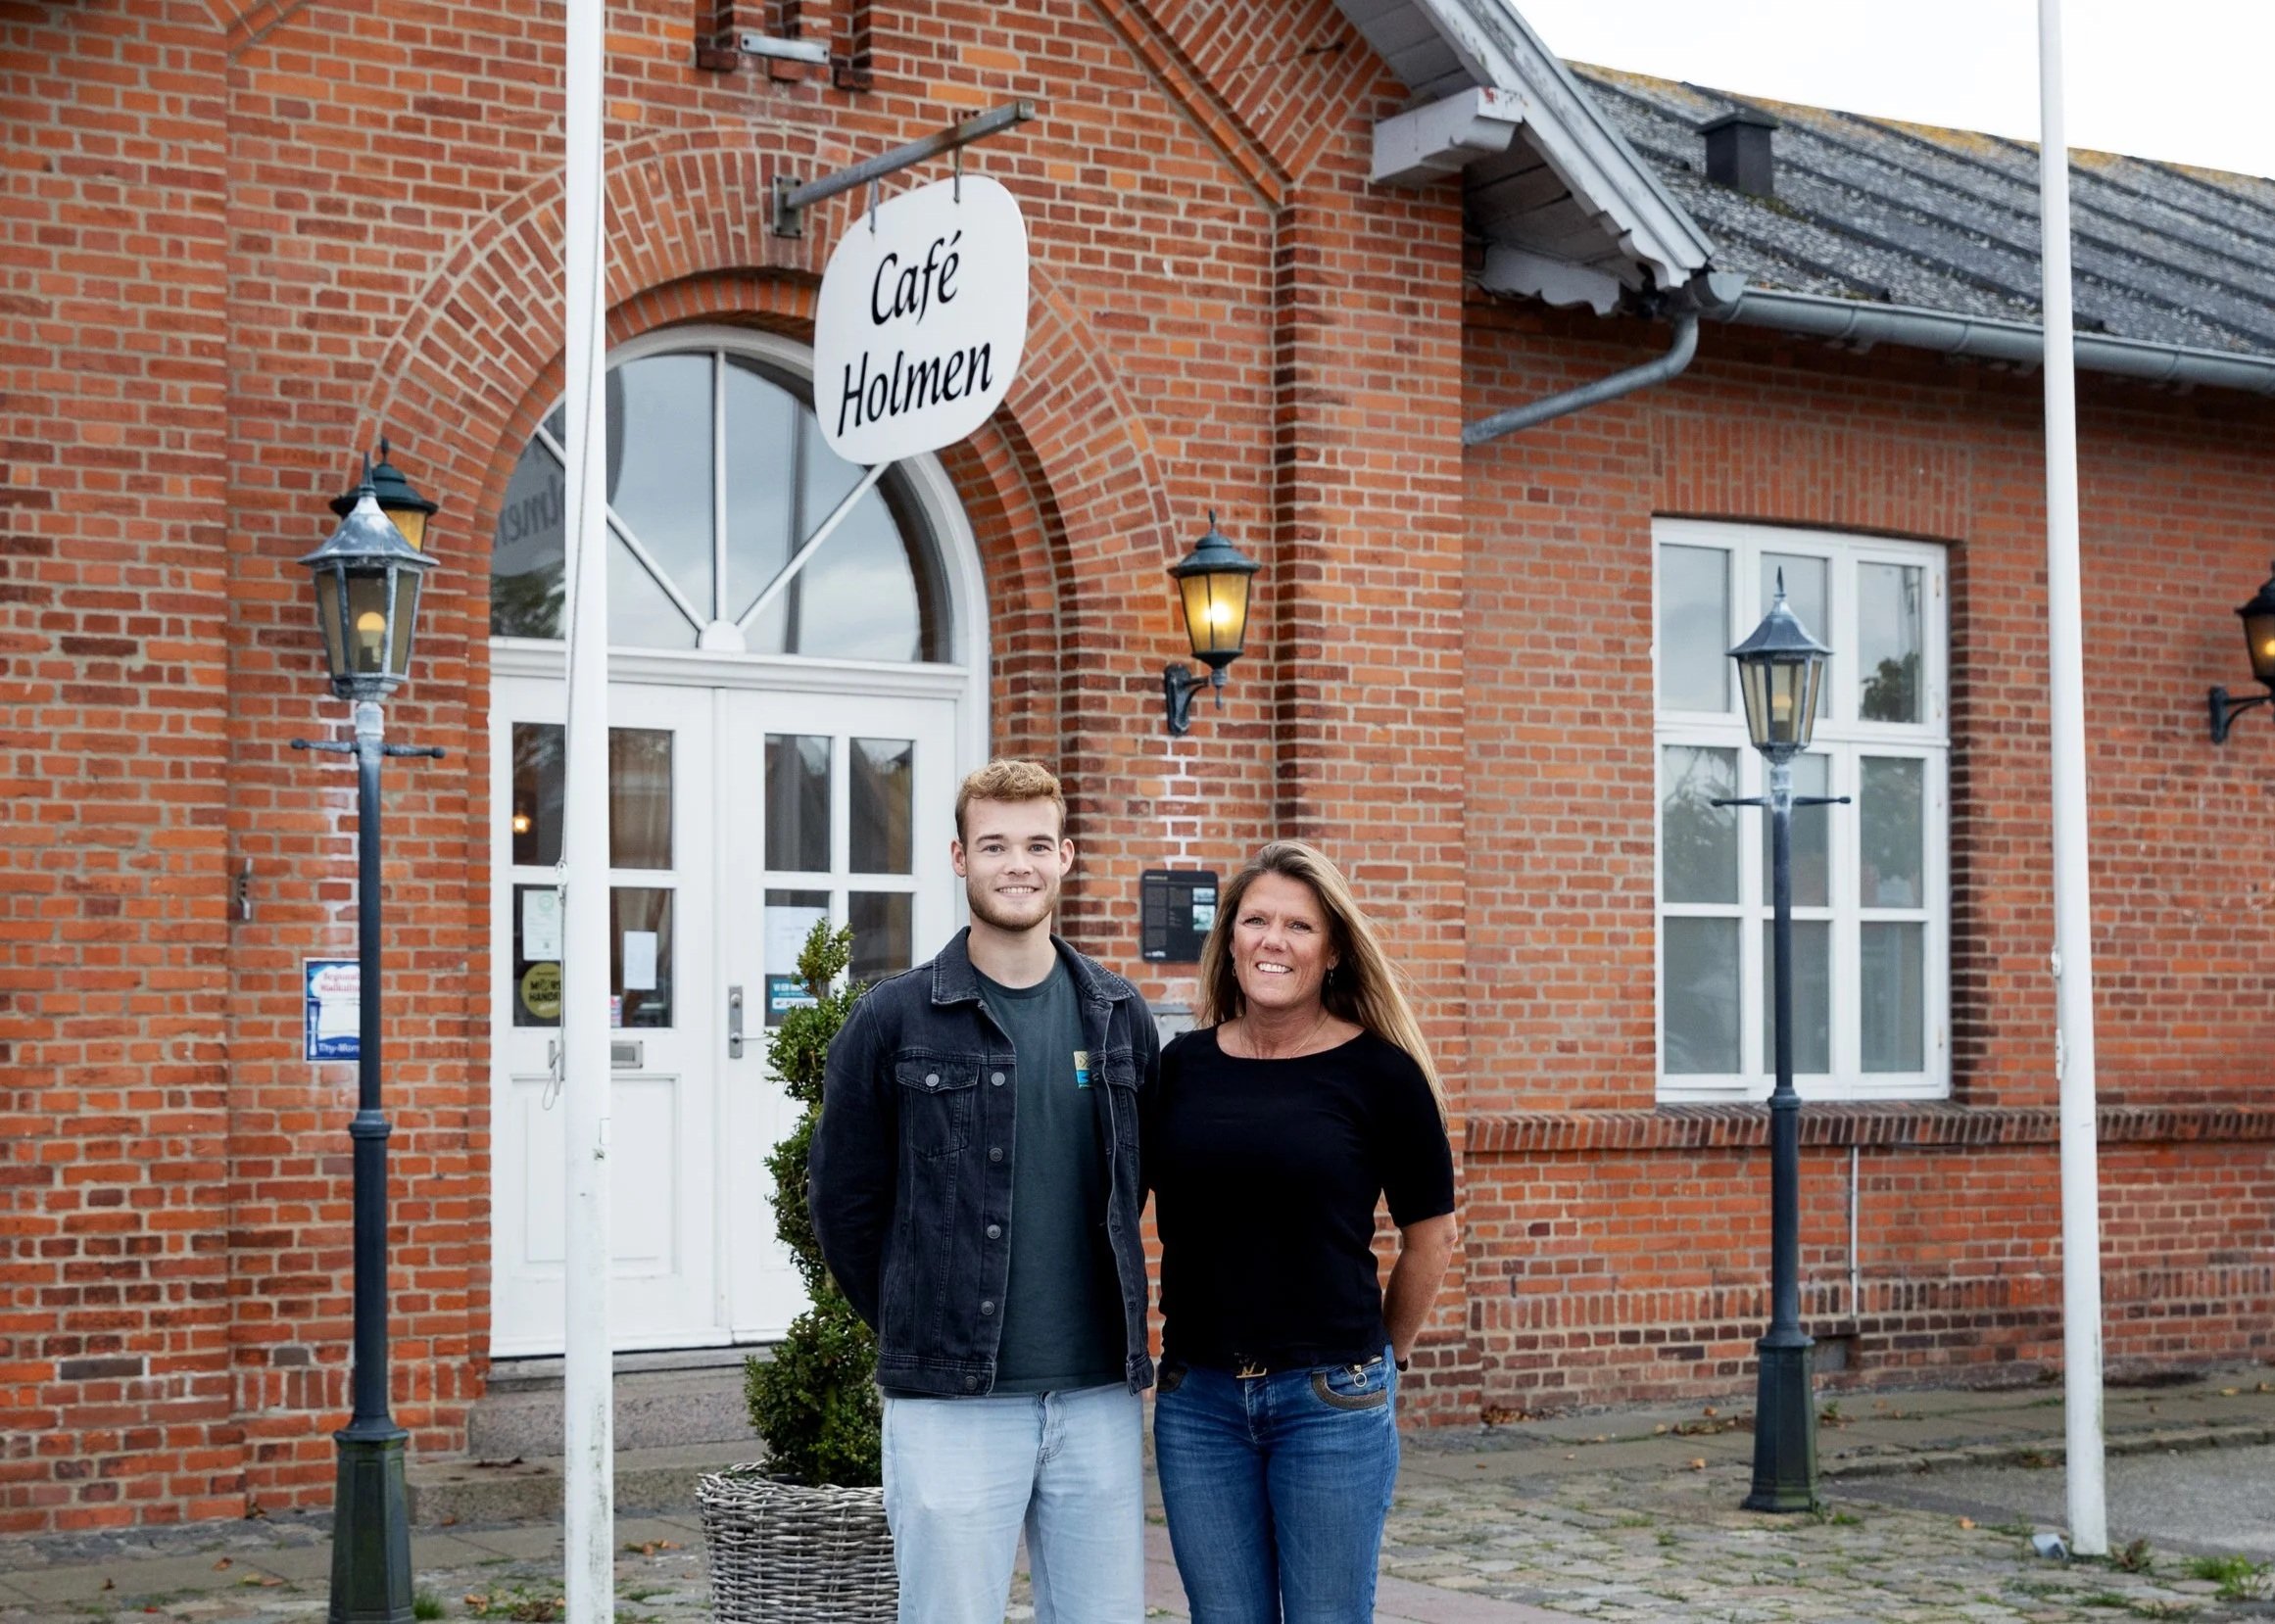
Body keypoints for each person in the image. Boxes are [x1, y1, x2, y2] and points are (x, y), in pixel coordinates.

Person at [809, 758, 1161, 1624]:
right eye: (995, 844)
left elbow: (1138, 1184)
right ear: (959, 857)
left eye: (1038, 844)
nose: (1018, 864)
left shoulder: (1120, 1014)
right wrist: (917, 1318)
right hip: (952, 1403)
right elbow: (844, 1206)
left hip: (1096, 1398)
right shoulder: (893, 1018)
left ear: (1067, 856)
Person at [1149, 839, 1458, 1624]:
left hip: (1332, 1399)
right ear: (1230, 940)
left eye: (1298, 926)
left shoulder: (1382, 1075)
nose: (1273, 941)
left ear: (1332, 953)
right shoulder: (1181, 1068)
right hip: (1199, 1402)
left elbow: (1432, 1238)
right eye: (1255, 920)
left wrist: (1383, 1360)